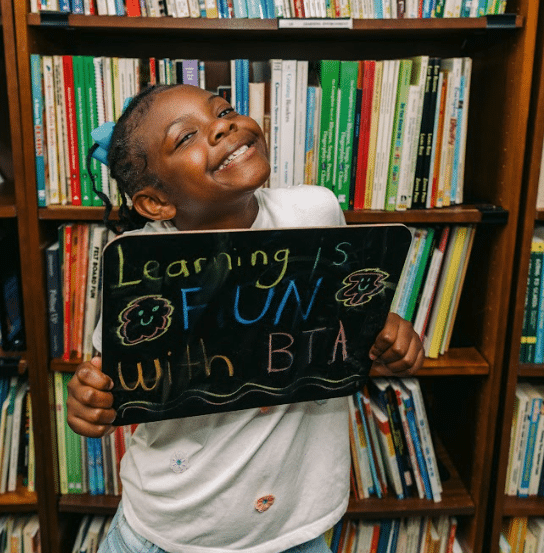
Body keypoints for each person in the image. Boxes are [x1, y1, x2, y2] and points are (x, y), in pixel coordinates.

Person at [67, 84, 424, 553]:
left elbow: (340, 321)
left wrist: (388, 332)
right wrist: (88, 398)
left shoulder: (315, 212)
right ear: (156, 203)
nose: (223, 126)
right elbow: (111, 372)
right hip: (174, 528)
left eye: (225, 110)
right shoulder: (140, 263)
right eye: (185, 137)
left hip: (299, 524)